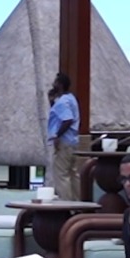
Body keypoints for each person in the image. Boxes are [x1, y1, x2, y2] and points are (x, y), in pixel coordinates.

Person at [47, 72, 81, 200]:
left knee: (61, 175)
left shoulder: (62, 102)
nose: (53, 85)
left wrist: (56, 135)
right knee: (73, 174)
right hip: (73, 142)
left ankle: (66, 204)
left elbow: (67, 119)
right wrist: (52, 102)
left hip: (64, 142)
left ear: (60, 84)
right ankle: (77, 204)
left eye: (55, 82)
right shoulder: (71, 98)